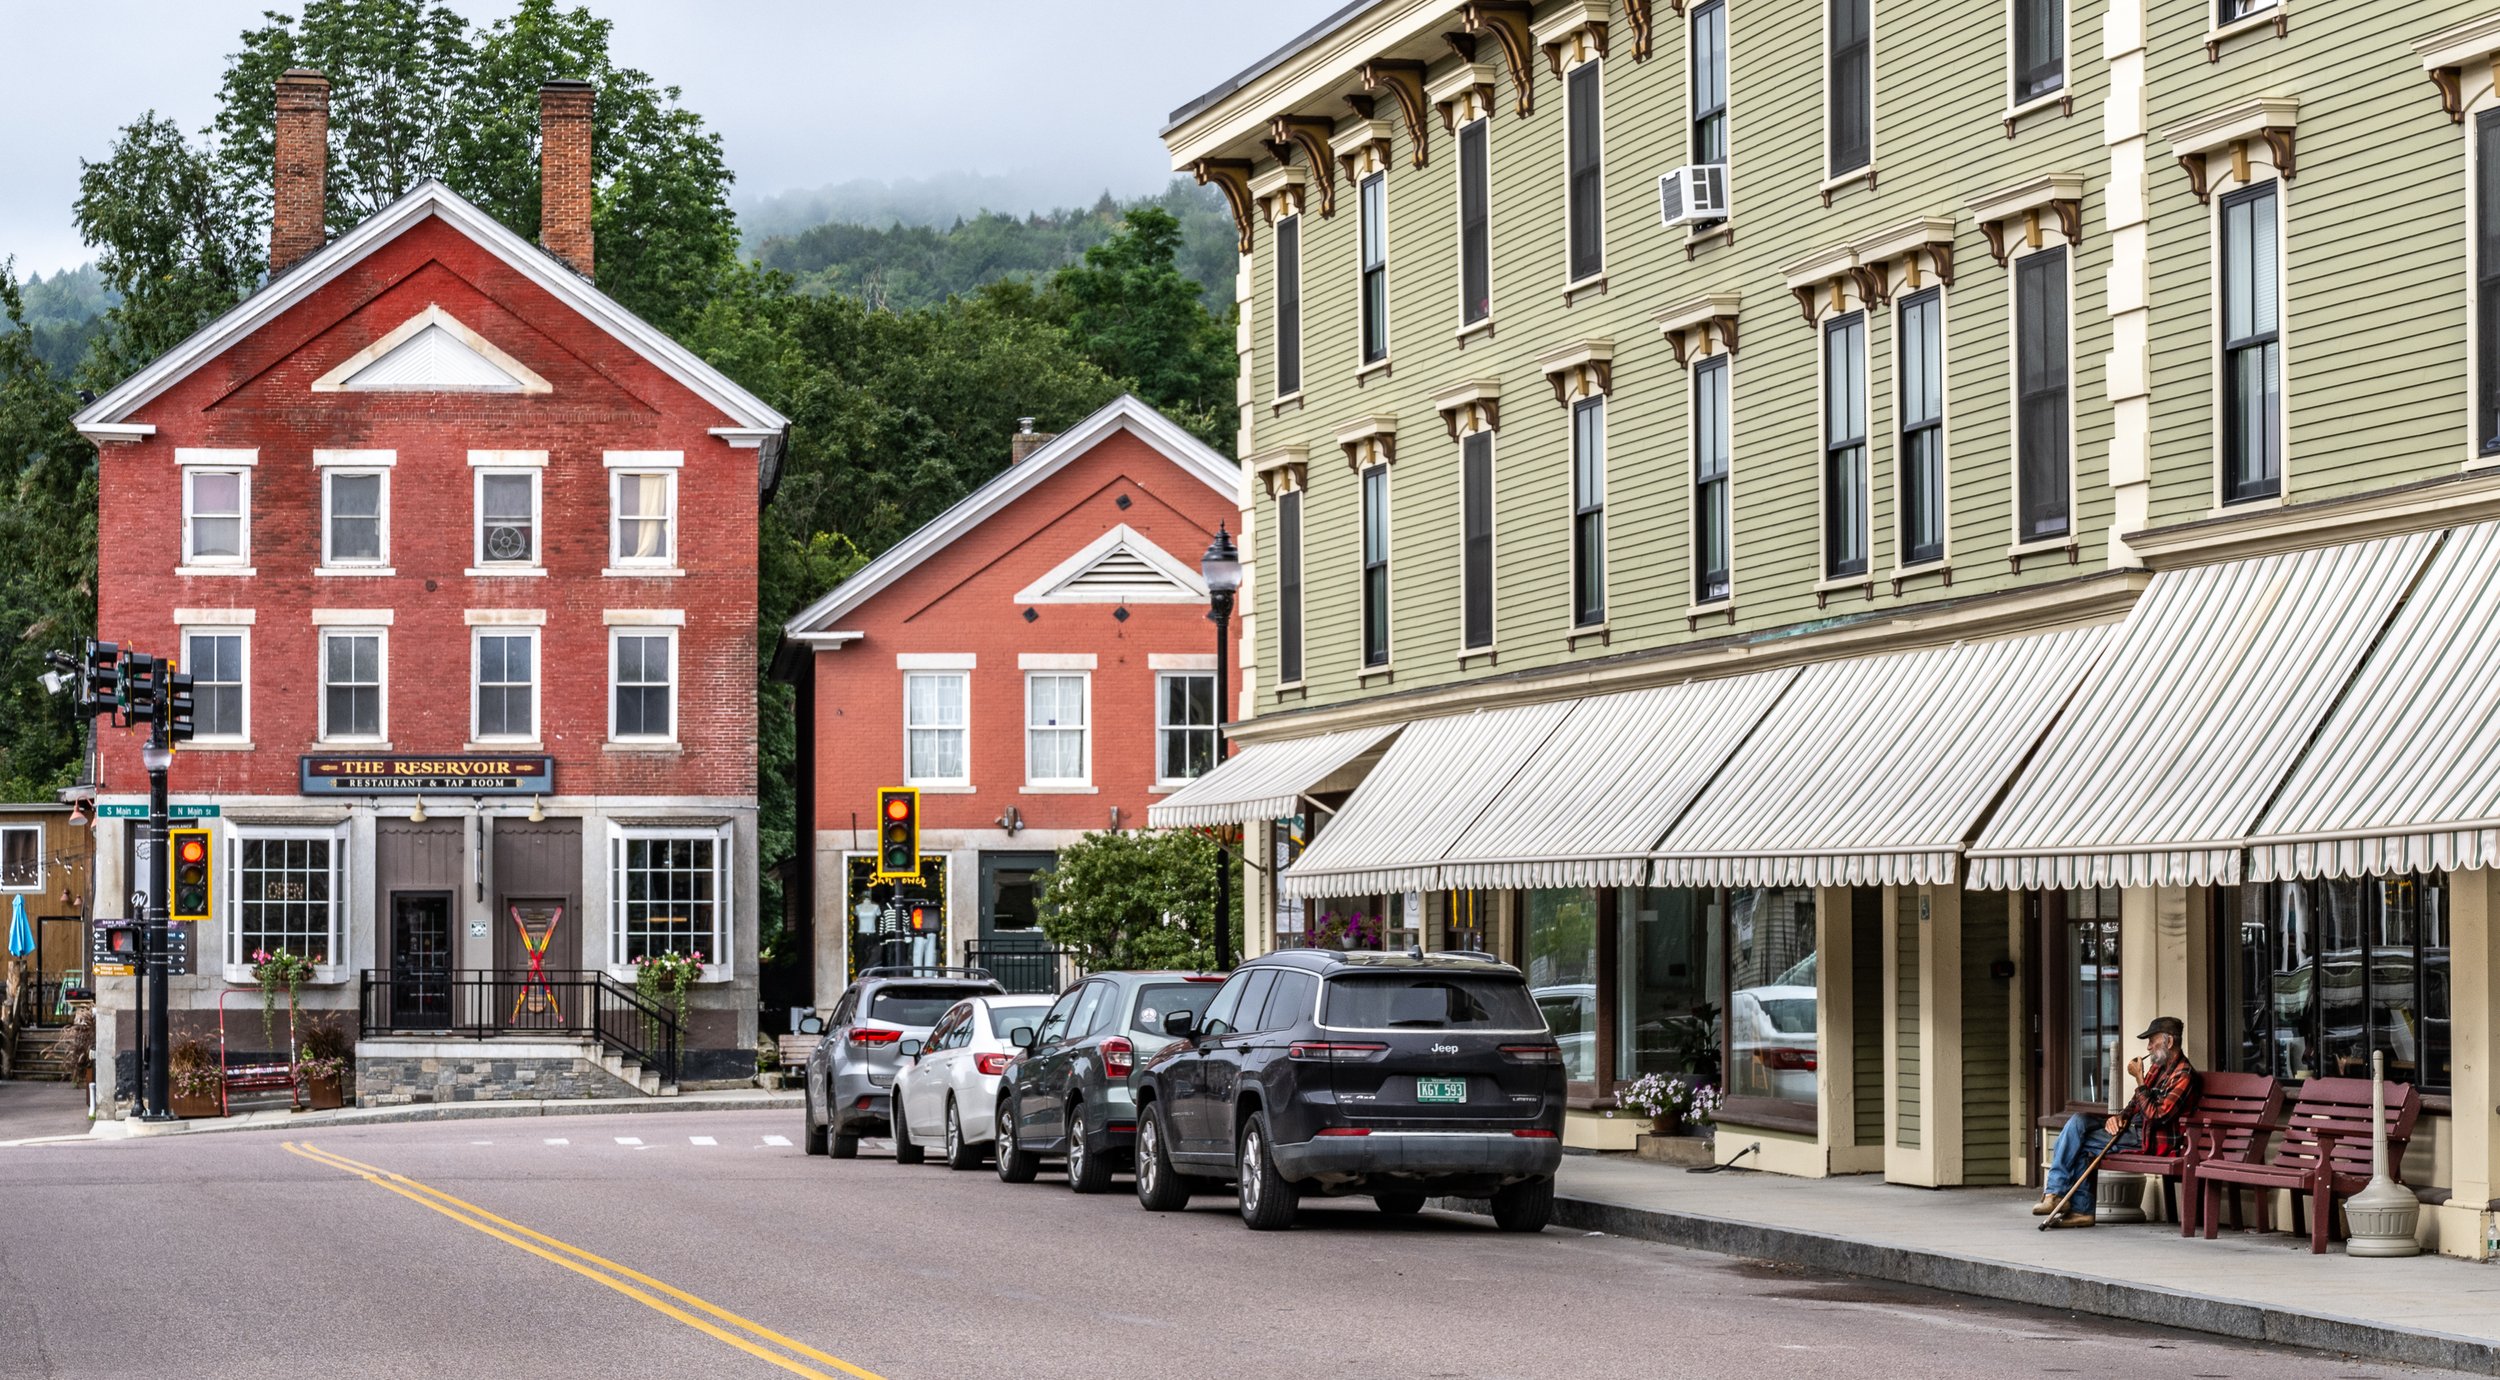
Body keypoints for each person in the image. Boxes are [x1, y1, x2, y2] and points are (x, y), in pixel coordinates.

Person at [2036, 1016, 2197, 1228]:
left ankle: (2073, 1205)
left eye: (2152, 1041)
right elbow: (2135, 1104)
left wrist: (2139, 1080)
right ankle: (2055, 1194)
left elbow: (2157, 1116)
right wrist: (2120, 1117)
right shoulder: (2159, 1069)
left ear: (2168, 1043)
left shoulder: (2184, 1075)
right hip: (2134, 1130)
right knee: (2078, 1121)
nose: (2148, 1046)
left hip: (2152, 1139)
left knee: (2081, 1143)